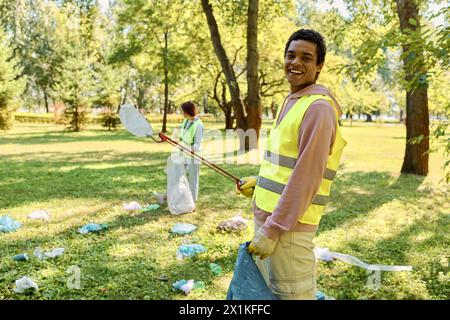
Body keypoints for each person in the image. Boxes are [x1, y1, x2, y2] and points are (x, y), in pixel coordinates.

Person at [236, 29, 347, 300]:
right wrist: (260, 182)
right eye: (291, 55)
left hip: (288, 232)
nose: (296, 62)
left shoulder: (318, 109)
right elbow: (286, 164)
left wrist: (273, 230)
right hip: (269, 222)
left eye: (306, 58)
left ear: (319, 66)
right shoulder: (291, 101)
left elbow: (306, 177)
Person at [155, 101, 204, 204]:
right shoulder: (186, 121)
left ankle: (192, 202)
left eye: (183, 111)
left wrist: (187, 148)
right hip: (183, 154)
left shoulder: (199, 125)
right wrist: (178, 143)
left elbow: (197, 144)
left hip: (194, 155)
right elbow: (183, 138)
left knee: (193, 179)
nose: (182, 112)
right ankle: (165, 197)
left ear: (188, 111)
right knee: (176, 175)